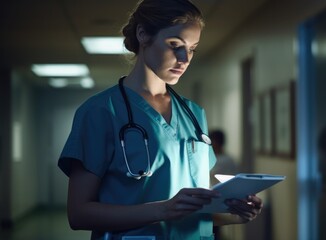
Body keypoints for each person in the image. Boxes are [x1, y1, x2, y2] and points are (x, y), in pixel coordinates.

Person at [57, 0, 263, 239]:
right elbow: (79, 214)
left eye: (192, 48)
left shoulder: (194, 114)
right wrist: (162, 209)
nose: (185, 58)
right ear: (143, 34)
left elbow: (195, 210)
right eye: (175, 44)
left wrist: (235, 212)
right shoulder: (100, 112)